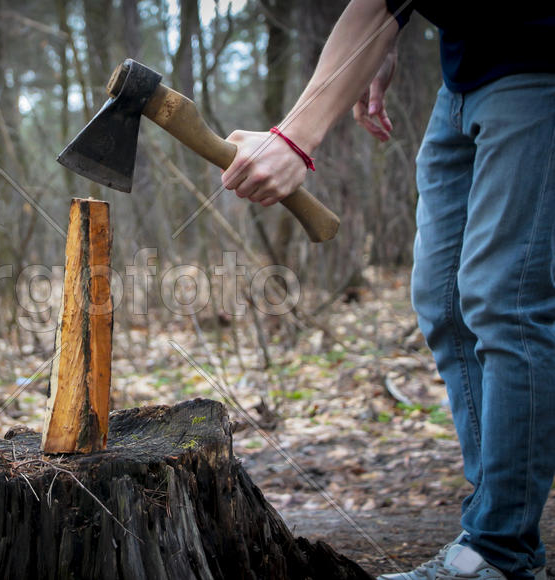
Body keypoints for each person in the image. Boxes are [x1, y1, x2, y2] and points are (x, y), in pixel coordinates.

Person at [221, 2, 555, 579]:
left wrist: (294, 138)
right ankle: (493, 527)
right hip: (463, 75)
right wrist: (387, 42)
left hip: (536, 63)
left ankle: (500, 549)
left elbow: (376, 3)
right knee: (444, 301)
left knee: (505, 302)